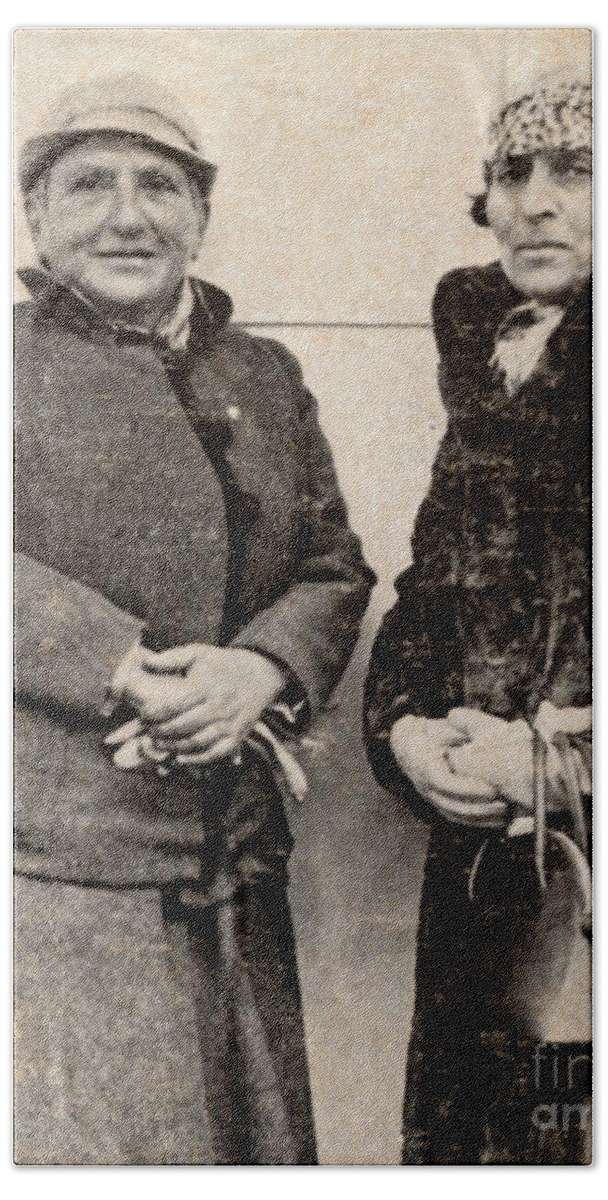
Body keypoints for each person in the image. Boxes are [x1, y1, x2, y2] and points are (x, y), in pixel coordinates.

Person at [14, 74, 374, 1165]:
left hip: (238, 855)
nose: (129, 214)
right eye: (89, 185)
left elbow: (331, 564)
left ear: (201, 217)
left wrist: (258, 672)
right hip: (60, 869)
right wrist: (121, 667)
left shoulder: (263, 374)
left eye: (159, 185)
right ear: (36, 217)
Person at [364, 74, 592, 1165]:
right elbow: (427, 591)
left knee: (571, 1111)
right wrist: (403, 729)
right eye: (511, 174)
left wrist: (564, 772)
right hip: (483, 863)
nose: (534, 204)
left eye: (575, 169)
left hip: (584, 871)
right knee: (485, 1135)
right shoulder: (492, 368)